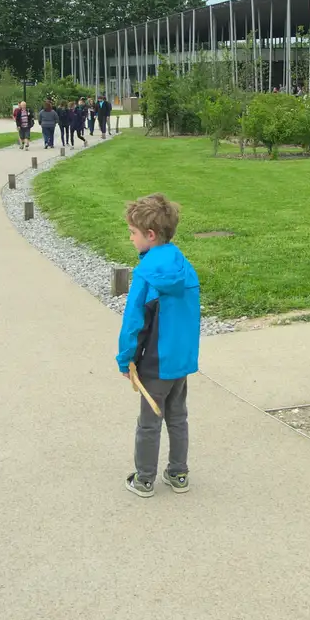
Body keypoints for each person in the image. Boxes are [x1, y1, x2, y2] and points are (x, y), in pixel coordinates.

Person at [117, 194, 201, 497]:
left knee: (149, 422)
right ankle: (178, 473)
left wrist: (126, 359)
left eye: (133, 233)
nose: (131, 238)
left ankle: (144, 478)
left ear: (149, 235)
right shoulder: (185, 266)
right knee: (178, 416)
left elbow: (133, 323)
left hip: (155, 362)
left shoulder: (146, 274)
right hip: (181, 360)